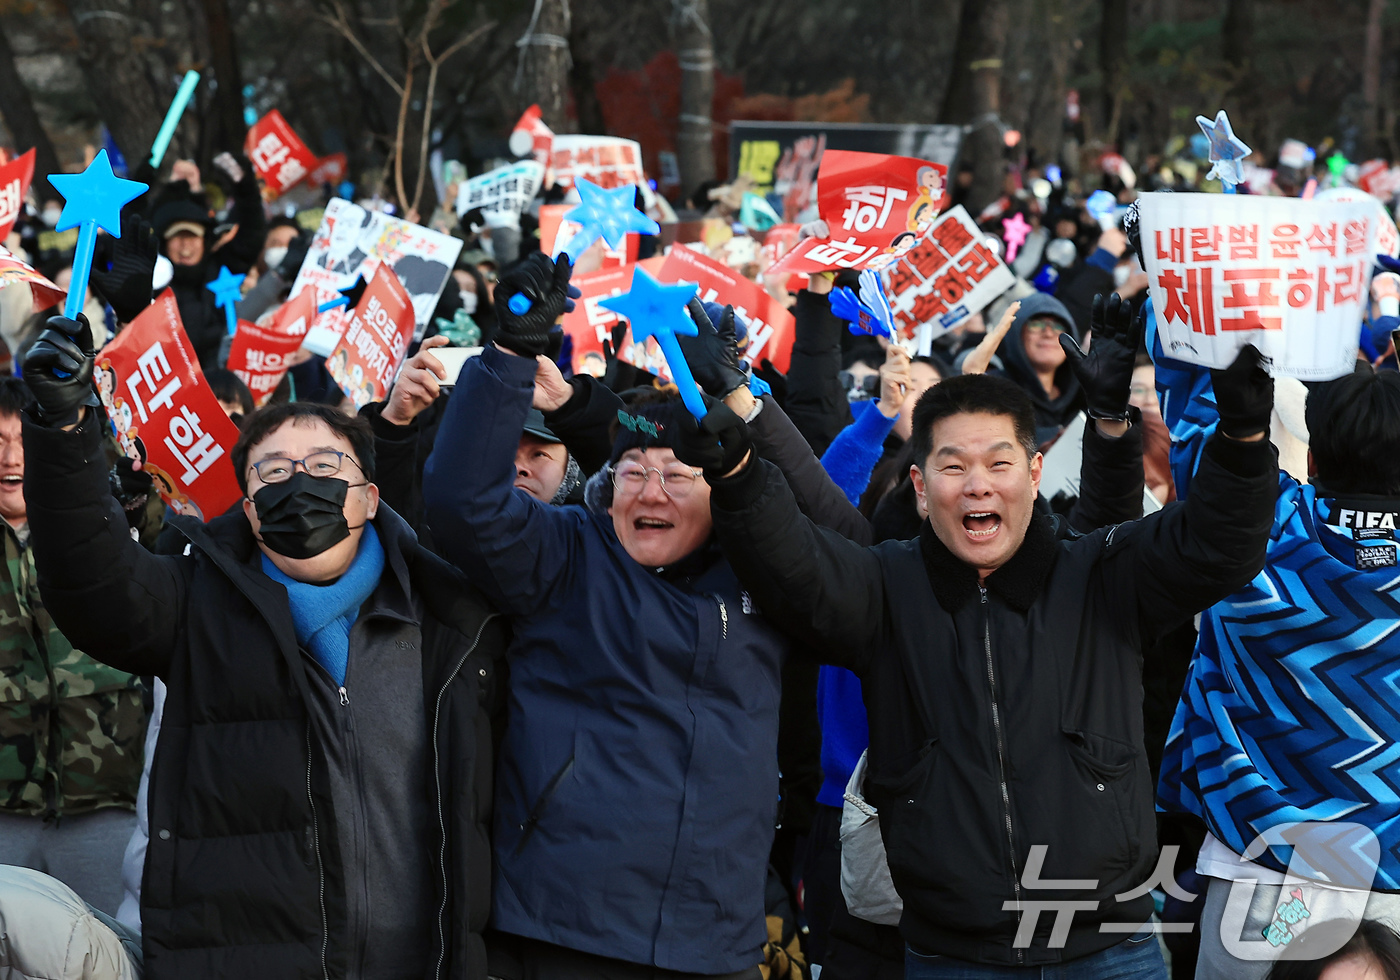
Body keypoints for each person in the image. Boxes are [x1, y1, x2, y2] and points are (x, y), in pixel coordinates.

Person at [684, 299, 1280, 975]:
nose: (977, 486)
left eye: (999, 464)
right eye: (953, 466)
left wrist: (1242, 437)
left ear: (1032, 473)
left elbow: (1216, 544)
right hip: (951, 951)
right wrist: (735, 474)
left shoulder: (1099, 574)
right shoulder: (885, 588)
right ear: (918, 483)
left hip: (1110, 947)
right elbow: (795, 562)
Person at [19, 311, 508, 980]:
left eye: (323, 465)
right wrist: (64, 431)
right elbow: (91, 580)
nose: (298, 482)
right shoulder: (194, 603)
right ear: (248, 509)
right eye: (273, 471)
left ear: (368, 498)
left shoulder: (450, 617)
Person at [421, 253, 793, 980]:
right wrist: (507, 358)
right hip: (566, 928)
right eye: (632, 473)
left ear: (720, 493)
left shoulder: (767, 574)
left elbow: (840, 529)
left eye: (678, 476)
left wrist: (743, 396)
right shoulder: (565, 553)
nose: (651, 493)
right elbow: (465, 504)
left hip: (716, 934)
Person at [1154, 360, 1400, 980]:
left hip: (1262, 875)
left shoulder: (1253, 529)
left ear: (1313, 455)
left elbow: (1201, 427)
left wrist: (1180, 298)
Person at [0, 376, 145, 915]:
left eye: (24, 440)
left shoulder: (102, 525)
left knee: (106, 954)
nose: (13, 459)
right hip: (4, 811)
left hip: (106, 799)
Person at [994, 292, 1085, 445]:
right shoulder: (990, 391)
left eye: (1058, 326)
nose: (1048, 333)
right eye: (1036, 324)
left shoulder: (1087, 397)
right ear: (1016, 333)